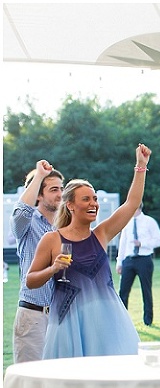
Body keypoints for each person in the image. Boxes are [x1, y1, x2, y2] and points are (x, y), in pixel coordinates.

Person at [26, 144, 152, 358]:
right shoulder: (52, 239)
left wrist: (140, 166)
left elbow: (131, 204)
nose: (94, 203)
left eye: (95, 199)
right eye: (86, 199)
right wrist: (53, 268)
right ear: (71, 206)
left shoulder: (101, 234)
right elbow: (30, 280)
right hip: (70, 324)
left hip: (109, 324)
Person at [10, 161, 64, 362]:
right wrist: (39, 175)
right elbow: (21, 212)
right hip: (33, 317)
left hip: (62, 317)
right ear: (39, 195)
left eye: (61, 188)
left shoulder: (66, 226)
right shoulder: (28, 224)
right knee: (32, 383)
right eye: (53, 190)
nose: (60, 194)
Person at [116, 202, 160, 326]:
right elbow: (123, 243)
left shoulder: (149, 221)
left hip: (144, 259)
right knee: (123, 291)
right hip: (129, 260)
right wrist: (119, 262)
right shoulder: (127, 223)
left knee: (146, 290)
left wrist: (142, 243)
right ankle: (122, 320)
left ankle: (148, 319)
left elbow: (158, 241)